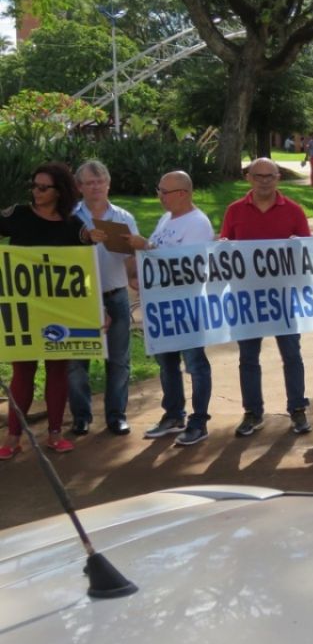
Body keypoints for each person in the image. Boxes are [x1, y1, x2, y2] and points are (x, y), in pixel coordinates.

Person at [0, 163, 97, 459]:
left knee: (57, 371)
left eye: (43, 187)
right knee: (23, 372)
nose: (36, 192)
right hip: (24, 309)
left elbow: (85, 273)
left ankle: (55, 434)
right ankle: (13, 437)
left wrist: (96, 310)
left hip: (60, 311)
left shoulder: (72, 226)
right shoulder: (17, 215)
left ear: (59, 192)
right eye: (34, 185)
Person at [221, 158, 313, 437]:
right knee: (248, 357)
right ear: (248, 177)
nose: (264, 180)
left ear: (278, 178)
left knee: (291, 354)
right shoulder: (234, 210)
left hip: (283, 296)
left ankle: (297, 408)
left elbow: (308, 252)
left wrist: (299, 247)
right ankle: (253, 412)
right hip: (246, 297)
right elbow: (225, 247)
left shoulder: (294, 211)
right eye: (258, 175)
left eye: (270, 176)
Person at [128, 172, 216, 446]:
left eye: (165, 191)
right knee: (166, 364)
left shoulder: (198, 223)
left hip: (187, 305)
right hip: (161, 305)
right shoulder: (167, 218)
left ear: (183, 193)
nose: (160, 196)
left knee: (195, 364)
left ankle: (199, 421)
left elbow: (187, 266)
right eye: (159, 190)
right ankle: (174, 414)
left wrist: (146, 246)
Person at [67, 159, 139, 437]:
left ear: (108, 184)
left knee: (119, 361)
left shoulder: (124, 217)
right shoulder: (71, 218)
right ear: (79, 187)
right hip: (79, 299)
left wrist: (135, 273)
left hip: (116, 295)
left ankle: (116, 416)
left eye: (100, 182)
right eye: (89, 182)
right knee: (76, 363)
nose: (96, 187)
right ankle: (81, 417)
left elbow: (131, 259)